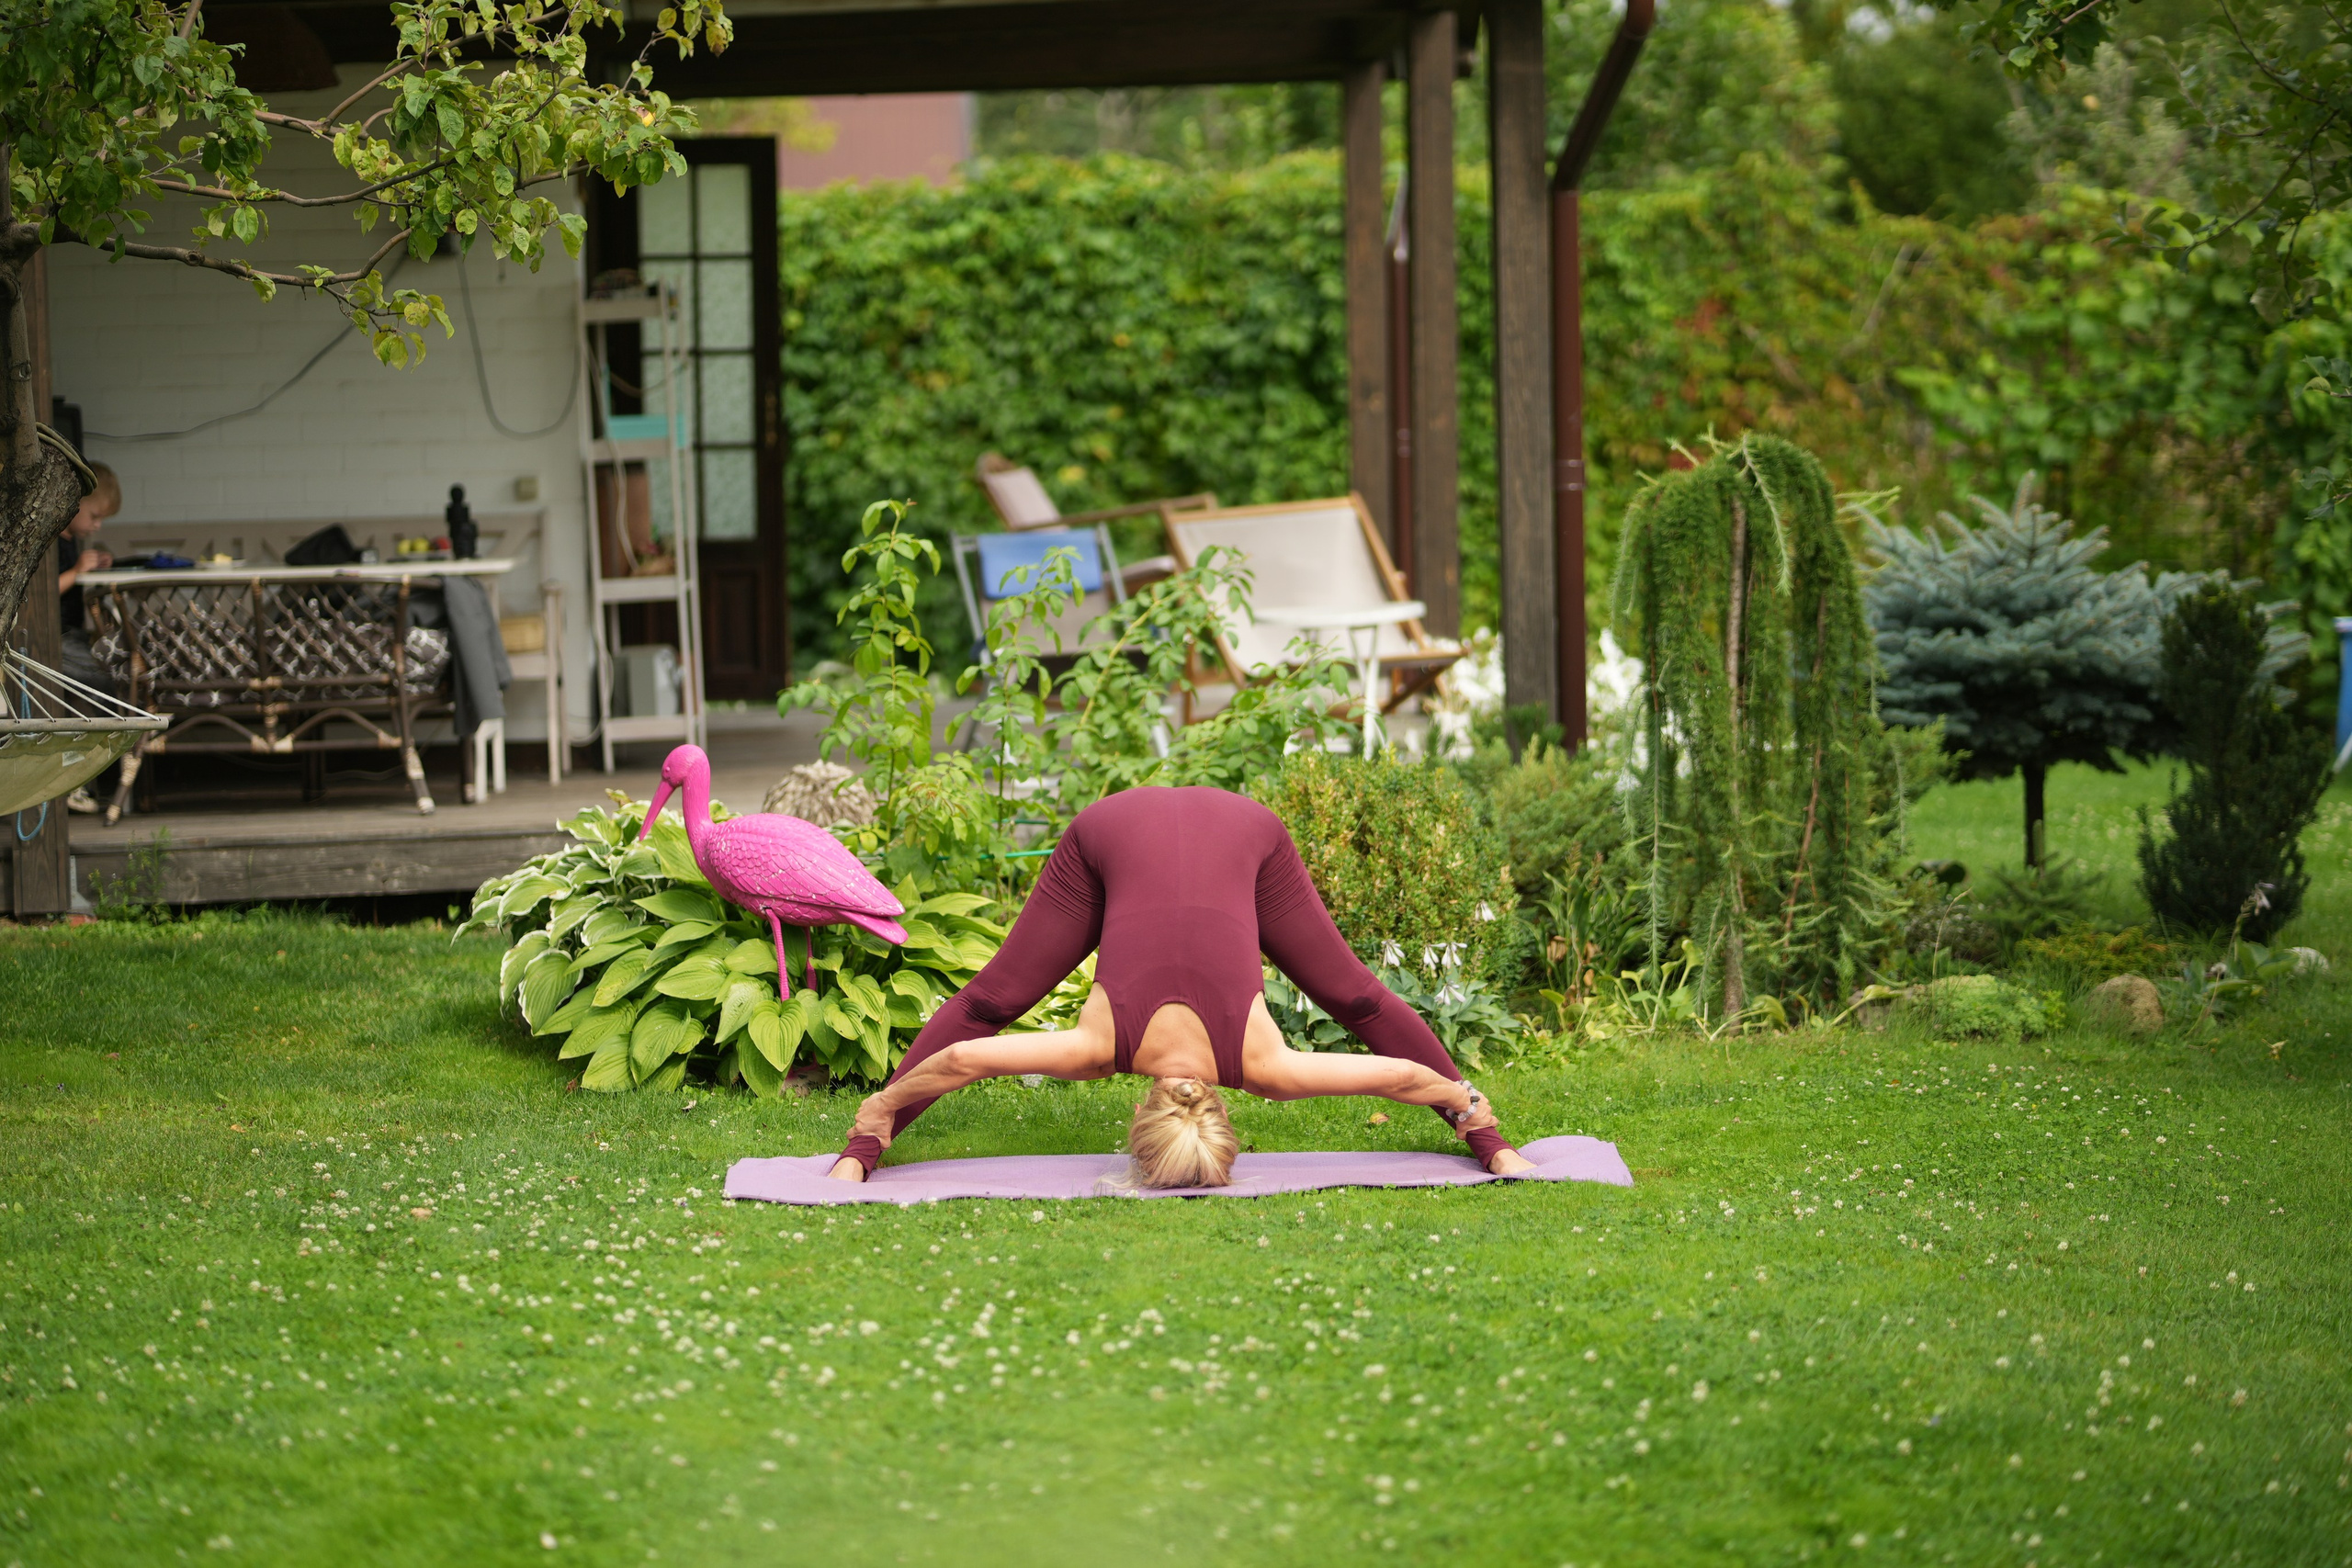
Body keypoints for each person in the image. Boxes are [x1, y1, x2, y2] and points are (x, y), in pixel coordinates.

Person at [831, 785, 1536, 1186]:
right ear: (1139, 1121)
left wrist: (1468, 1104)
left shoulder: (1264, 1070)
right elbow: (963, 1060)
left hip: (1154, 830)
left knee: (1357, 996)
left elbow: (1402, 1078)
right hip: (1209, 832)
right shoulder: (1103, 1049)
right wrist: (878, 1113)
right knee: (990, 1003)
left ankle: (1488, 1141)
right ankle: (865, 1151)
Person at [55, 464, 120, 814]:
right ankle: (77, 777)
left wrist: (94, 566)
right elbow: (43, 591)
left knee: (109, 673)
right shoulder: (49, 539)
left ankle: (89, 775)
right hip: (52, 637)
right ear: (73, 502)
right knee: (98, 682)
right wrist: (78, 570)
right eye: (94, 516)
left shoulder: (73, 542)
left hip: (72, 634)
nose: (96, 526)